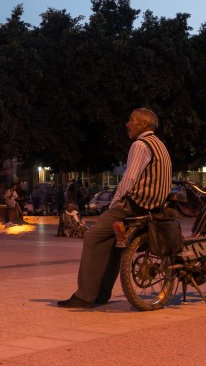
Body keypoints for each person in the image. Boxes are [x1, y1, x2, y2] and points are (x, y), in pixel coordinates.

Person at [58, 108, 172, 309]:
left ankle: (85, 296)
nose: (127, 124)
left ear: (144, 124)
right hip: (153, 207)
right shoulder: (160, 144)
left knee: (93, 238)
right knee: (114, 243)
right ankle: (101, 294)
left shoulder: (140, 144)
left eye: (131, 120)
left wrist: (113, 204)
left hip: (135, 206)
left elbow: (129, 178)